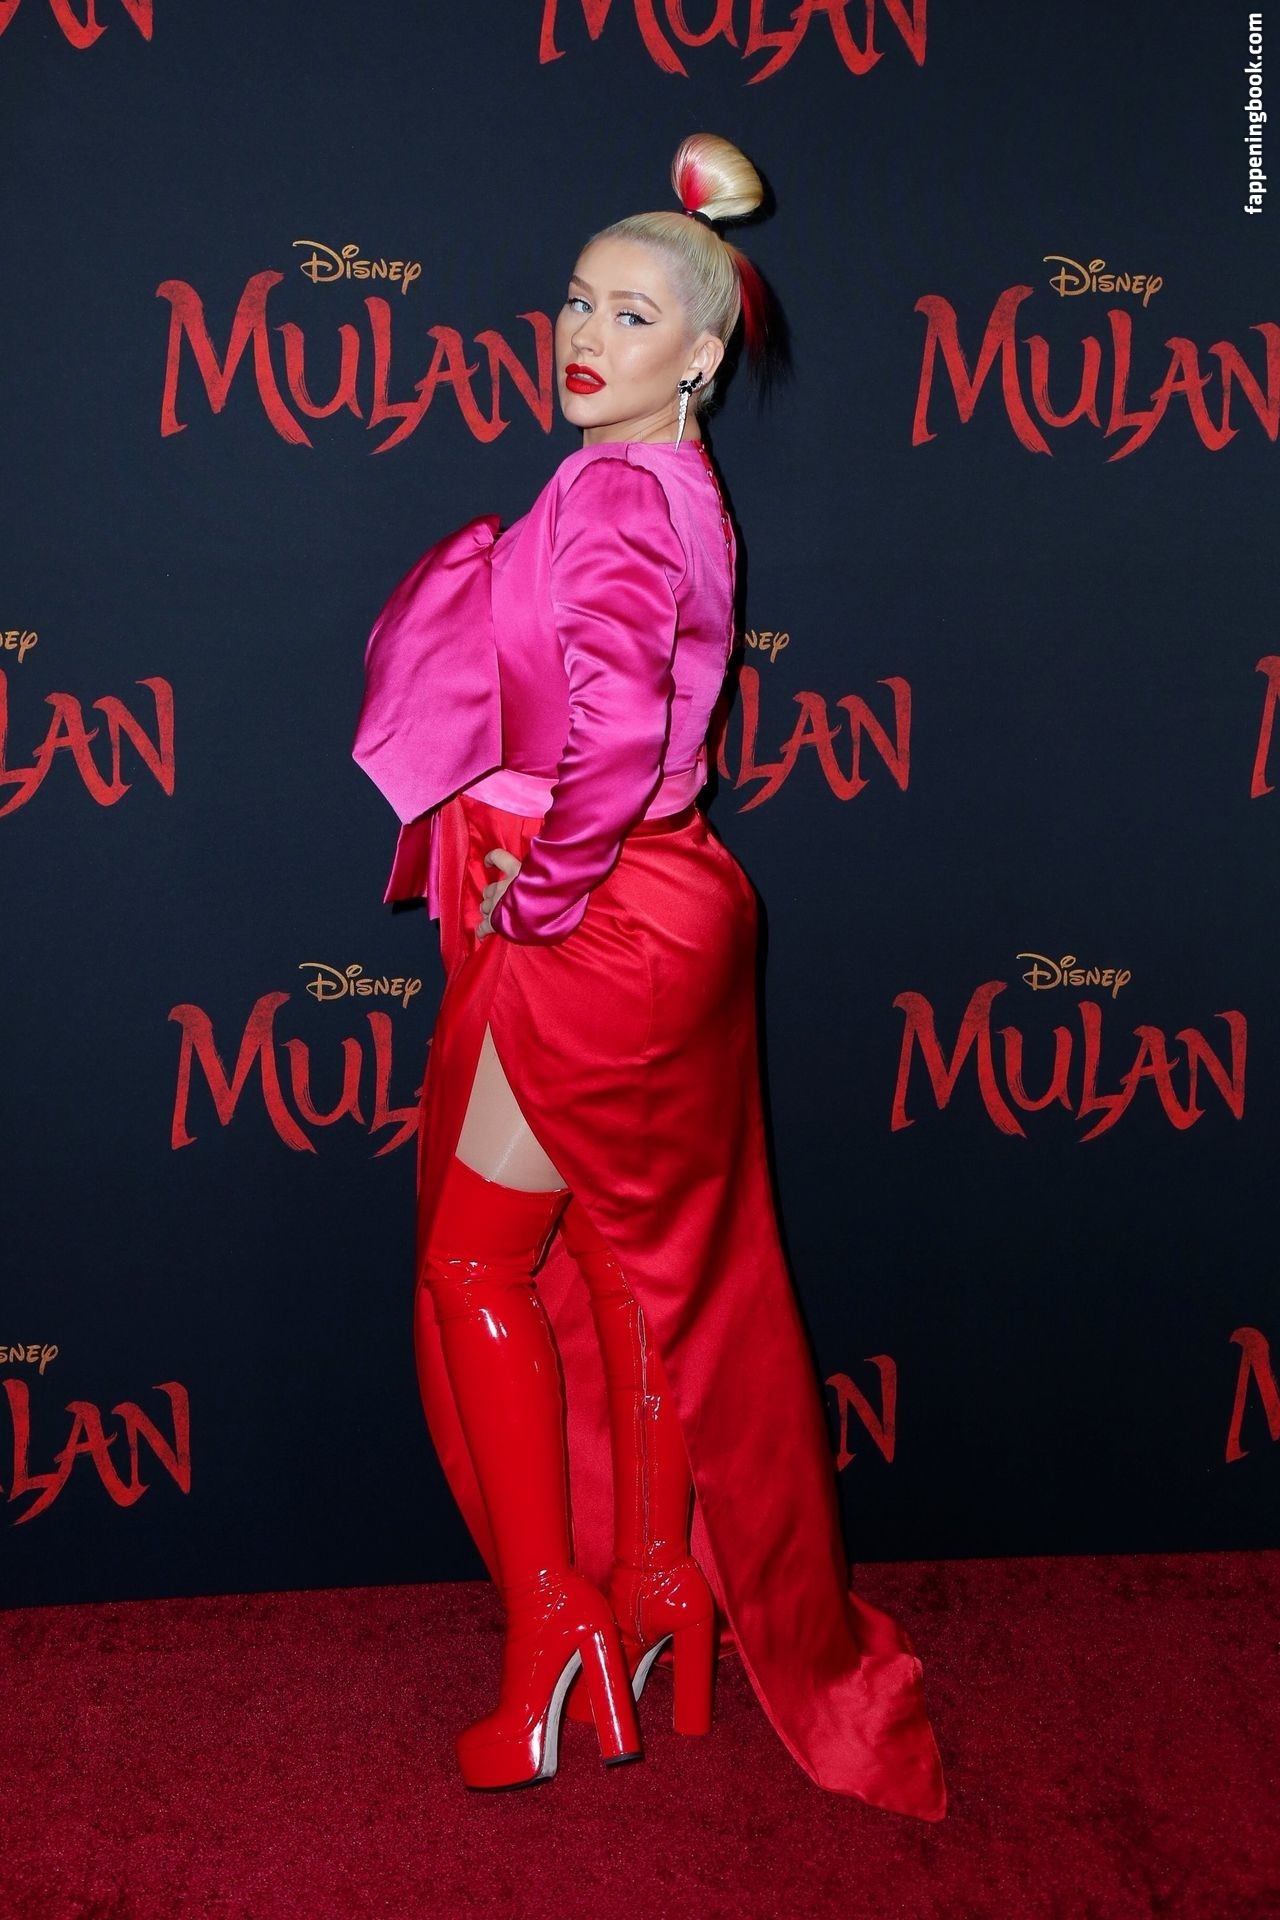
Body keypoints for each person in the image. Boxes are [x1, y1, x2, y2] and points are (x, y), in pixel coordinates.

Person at [353, 132, 946, 1817]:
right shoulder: (677, 481)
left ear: (702, 352)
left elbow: (612, 733)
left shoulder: (616, 493)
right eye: (574, 302)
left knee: (474, 1260)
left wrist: (539, 889)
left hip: (601, 915)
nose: (583, 334)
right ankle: (664, 1585)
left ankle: (555, 1636)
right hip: (677, 905)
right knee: (636, 1263)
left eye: (631, 312)